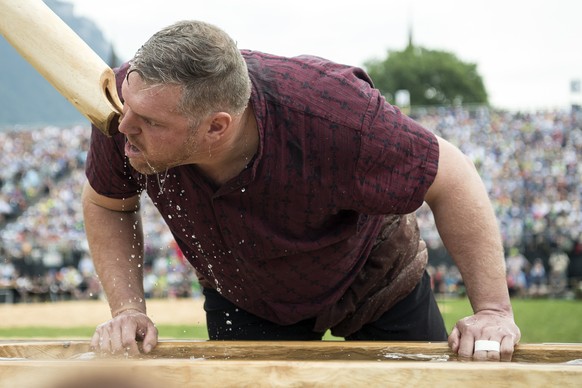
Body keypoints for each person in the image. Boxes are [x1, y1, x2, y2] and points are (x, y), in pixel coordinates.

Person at [83, 20, 520, 361]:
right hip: (245, 290)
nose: (122, 128)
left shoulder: (336, 113)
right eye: (127, 109)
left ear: (217, 126)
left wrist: (493, 311)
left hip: (370, 272)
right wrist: (127, 309)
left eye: (151, 124)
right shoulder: (129, 102)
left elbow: (454, 177)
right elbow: (107, 202)